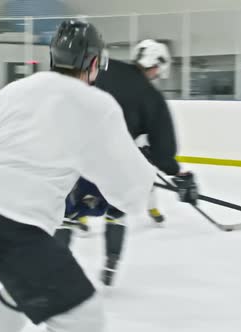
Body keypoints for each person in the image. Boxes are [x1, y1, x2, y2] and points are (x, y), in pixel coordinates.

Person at [0, 20, 157, 332]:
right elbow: (129, 189)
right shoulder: (95, 104)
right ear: (94, 62)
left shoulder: (15, 90)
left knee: (20, 292)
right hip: (13, 223)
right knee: (83, 317)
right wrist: (145, 178)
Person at [56, 39, 198, 287]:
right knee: (115, 212)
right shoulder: (152, 97)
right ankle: (111, 264)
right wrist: (178, 174)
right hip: (114, 166)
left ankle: (53, 267)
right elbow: (164, 150)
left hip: (76, 157)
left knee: (66, 214)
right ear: (157, 65)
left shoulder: (103, 67)